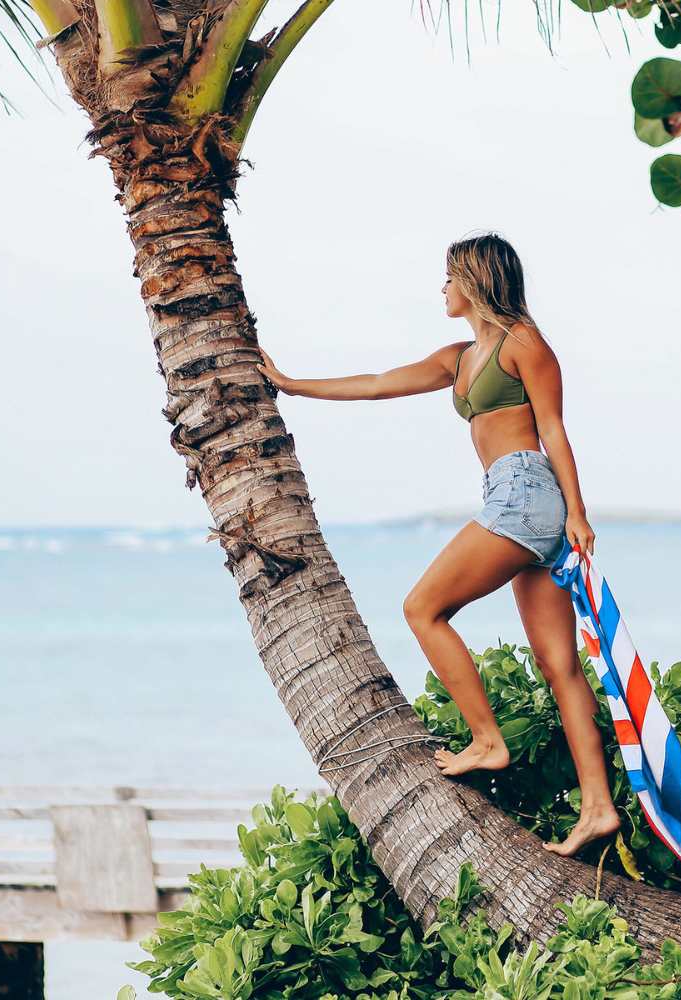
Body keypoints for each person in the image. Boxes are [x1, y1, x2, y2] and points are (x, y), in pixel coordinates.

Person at [256, 232, 620, 857]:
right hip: (516, 500)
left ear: (477, 280)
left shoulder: (523, 344)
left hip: (526, 495)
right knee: (557, 665)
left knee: (423, 608)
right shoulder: (459, 357)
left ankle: (487, 741)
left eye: (450, 276)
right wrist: (290, 384)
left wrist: (578, 515)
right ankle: (598, 808)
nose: (442, 287)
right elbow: (377, 383)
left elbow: (554, 427)